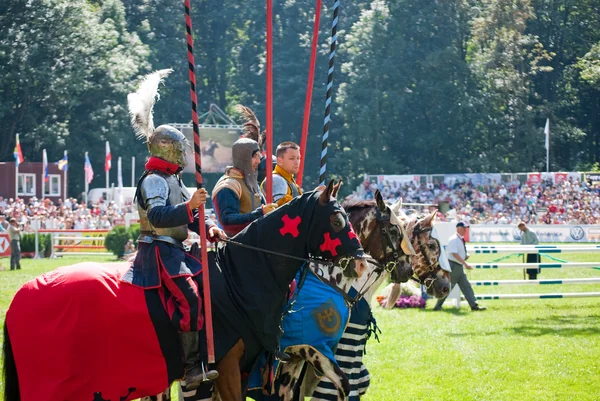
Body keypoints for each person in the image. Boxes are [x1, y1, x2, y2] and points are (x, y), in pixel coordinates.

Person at [125, 69, 226, 390]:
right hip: (157, 250)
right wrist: (189, 205)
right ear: (167, 149)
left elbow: (192, 216)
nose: (184, 154)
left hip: (176, 250)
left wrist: (209, 227)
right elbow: (157, 216)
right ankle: (189, 366)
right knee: (190, 299)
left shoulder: (172, 179)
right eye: (180, 149)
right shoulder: (154, 179)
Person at [212, 139, 277, 236]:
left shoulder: (251, 183)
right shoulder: (228, 186)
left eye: (258, 156)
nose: (259, 161)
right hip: (237, 247)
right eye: (255, 156)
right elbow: (227, 222)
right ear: (244, 157)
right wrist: (260, 213)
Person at [433, 222, 486, 311]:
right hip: (454, 266)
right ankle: (438, 306)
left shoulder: (458, 238)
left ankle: (474, 305)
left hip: (457, 266)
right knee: (449, 286)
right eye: (464, 228)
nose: (465, 230)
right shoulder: (454, 239)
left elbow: (456, 253)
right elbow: (454, 253)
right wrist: (465, 263)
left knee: (466, 286)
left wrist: (464, 256)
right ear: (458, 228)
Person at [261, 142, 303, 206]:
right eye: (292, 158)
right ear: (280, 161)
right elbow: (283, 209)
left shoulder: (290, 180)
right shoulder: (276, 179)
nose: (296, 162)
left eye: (298, 158)